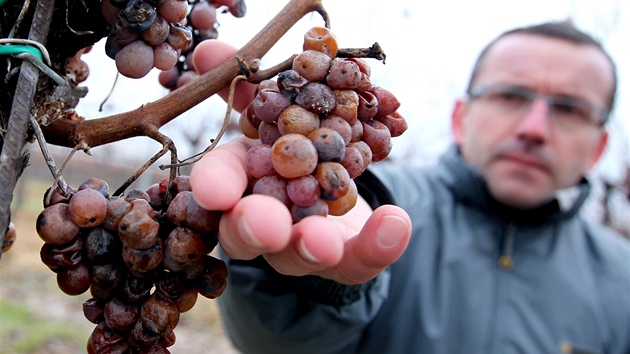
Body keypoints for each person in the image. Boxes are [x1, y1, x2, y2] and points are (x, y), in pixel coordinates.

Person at [189, 21, 630, 354]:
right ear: (460, 118)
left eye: (570, 109)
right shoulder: (373, 198)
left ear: (600, 147)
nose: (535, 128)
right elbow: (282, 345)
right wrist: (306, 279)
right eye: (511, 96)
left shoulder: (623, 278)